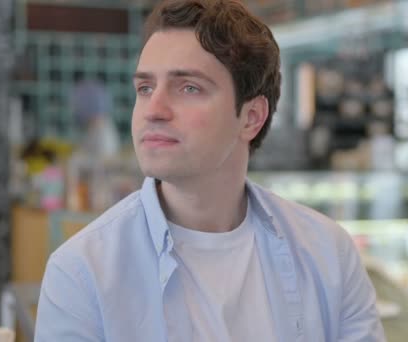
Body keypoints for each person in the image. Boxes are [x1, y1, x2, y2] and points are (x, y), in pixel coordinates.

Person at [34, 0, 385, 341]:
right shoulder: (82, 273)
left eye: (188, 87)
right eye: (145, 88)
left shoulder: (328, 254)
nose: (153, 110)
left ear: (251, 117)